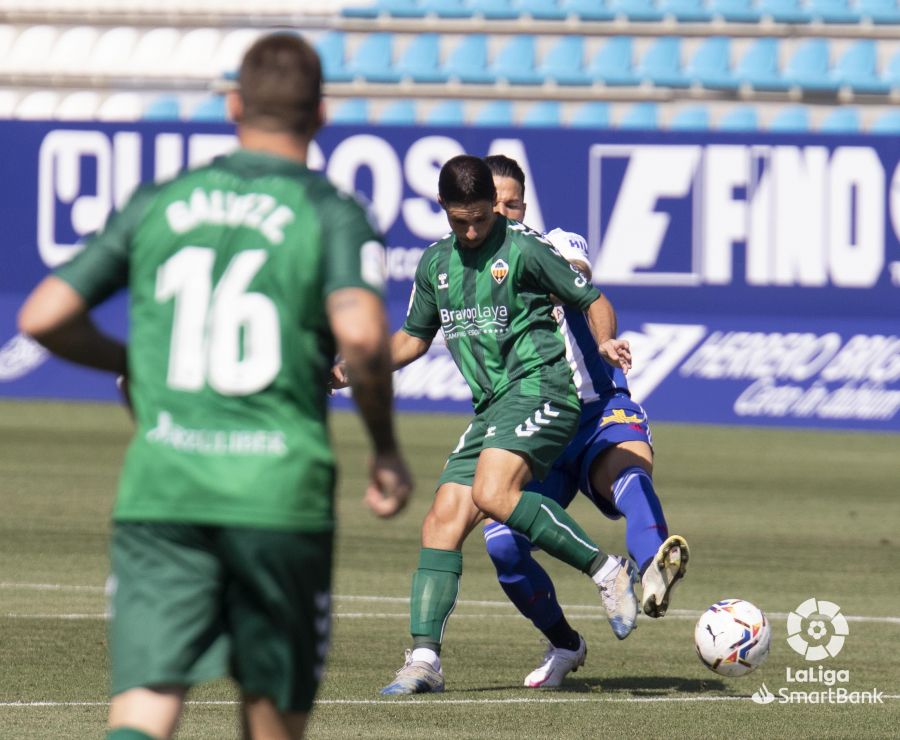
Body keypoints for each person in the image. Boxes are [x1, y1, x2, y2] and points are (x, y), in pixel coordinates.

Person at [18, 33, 413, 740]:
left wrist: (136, 361)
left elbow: (43, 315)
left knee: (144, 707)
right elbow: (360, 337)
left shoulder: (161, 199)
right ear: (322, 114)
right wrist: (384, 446)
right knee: (270, 720)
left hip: (163, 488)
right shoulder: (331, 210)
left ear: (233, 104)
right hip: (277, 496)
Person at [364, 154, 639, 695]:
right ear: (442, 208)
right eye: (458, 219)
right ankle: (424, 661)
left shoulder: (524, 249)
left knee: (493, 492)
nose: (470, 230)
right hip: (492, 407)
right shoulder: (436, 264)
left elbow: (593, 298)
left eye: (480, 219)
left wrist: (605, 341)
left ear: (496, 206)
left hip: (544, 391)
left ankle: (610, 571)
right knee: (442, 519)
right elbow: (413, 340)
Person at [482, 154, 689, 688]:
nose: (505, 212)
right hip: (539, 425)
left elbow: (583, 286)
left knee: (627, 474)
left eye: (514, 203)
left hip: (598, 409)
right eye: (494, 204)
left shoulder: (555, 244)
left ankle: (650, 570)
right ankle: (564, 644)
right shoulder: (467, 273)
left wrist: (599, 336)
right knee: (502, 541)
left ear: (524, 206)